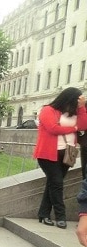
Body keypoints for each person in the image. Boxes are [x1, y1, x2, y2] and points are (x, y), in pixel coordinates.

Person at [33, 87, 87, 229]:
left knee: (53, 184)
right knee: (57, 183)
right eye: (78, 100)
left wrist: (82, 108)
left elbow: (84, 125)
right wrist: (74, 128)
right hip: (48, 154)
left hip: (68, 154)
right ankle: (60, 217)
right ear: (69, 99)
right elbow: (53, 128)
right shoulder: (48, 110)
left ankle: (43, 214)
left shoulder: (75, 111)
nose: (79, 102)